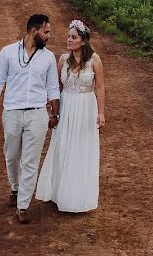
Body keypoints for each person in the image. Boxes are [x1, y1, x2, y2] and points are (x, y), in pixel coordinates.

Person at [0, 14, 60, 224]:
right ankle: (15, 189)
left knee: (30, 161)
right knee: (11, 156)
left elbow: (53, 88)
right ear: (33, 31)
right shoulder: (8, 52)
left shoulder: (48, 57)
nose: (48, 36)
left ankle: (23, 205)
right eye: (46, 32)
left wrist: (55, 114)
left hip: (37, 113)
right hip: (11, 112)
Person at [35, 19, 104, 213]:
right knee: (63, 145)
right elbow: (55, 86)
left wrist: (101, 112)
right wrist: (52, 108)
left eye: (73, 37)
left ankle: (77, 195)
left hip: (85, 107)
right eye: (68, 36)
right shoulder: (63, 59)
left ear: (83, 40)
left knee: (81, 149)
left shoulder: (94, 60)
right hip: (66, 105)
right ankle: (58, 192)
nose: (69, 40)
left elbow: (100, 87)